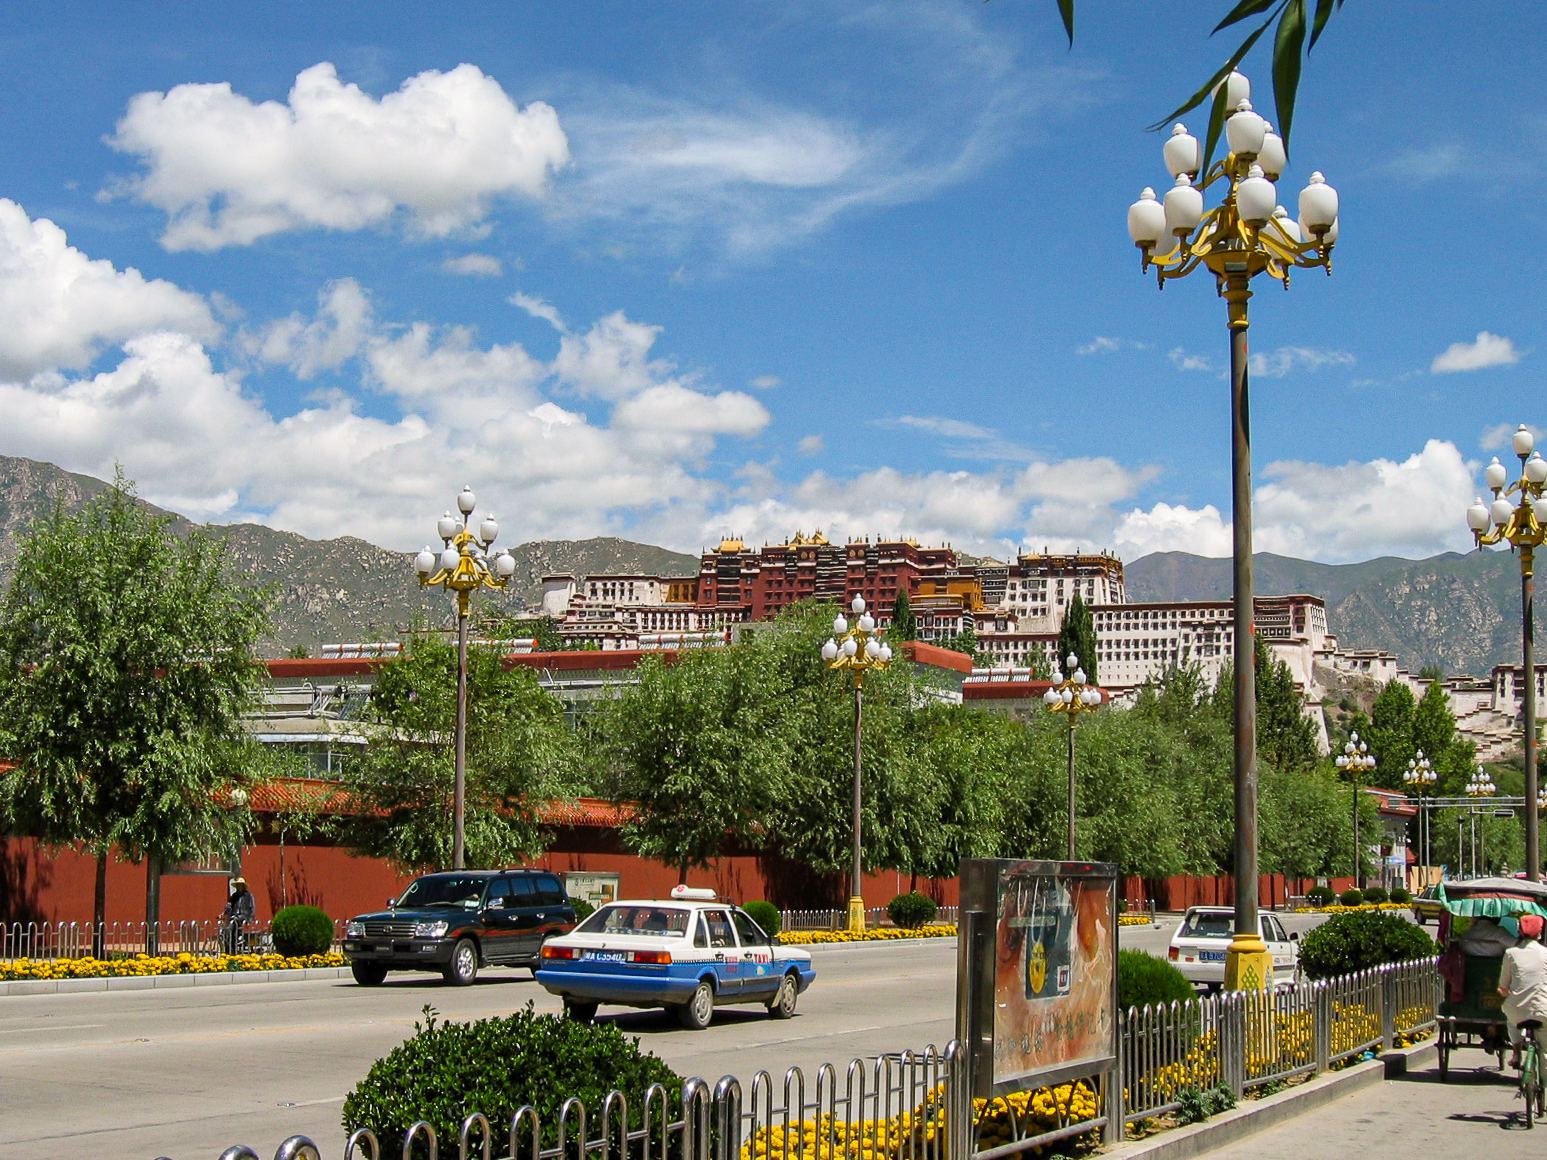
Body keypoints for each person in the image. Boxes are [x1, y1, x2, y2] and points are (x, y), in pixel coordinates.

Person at [1498, 912, 1547, 1069]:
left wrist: (1505, 991)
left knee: (1511, 1020)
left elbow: (1503, 986)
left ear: (1520, 932)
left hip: (1517, 1009)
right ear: (1539, 933)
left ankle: (1517, 1052)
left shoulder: (1511, 954)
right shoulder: (1545, 954)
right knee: (1545, 1051)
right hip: (1542, 1010)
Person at [221, 877, 256, 954]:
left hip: (243, 916)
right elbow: (229, 906)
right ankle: (229, 948)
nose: (239, 887)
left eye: (240, 885)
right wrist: (223, 913)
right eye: (238, 885)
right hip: (234, 916)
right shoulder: (234, 896)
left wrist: (250, 920)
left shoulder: (249, 896)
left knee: (234, 922)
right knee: (229, 929)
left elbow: (252, 908)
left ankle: (232, 945)